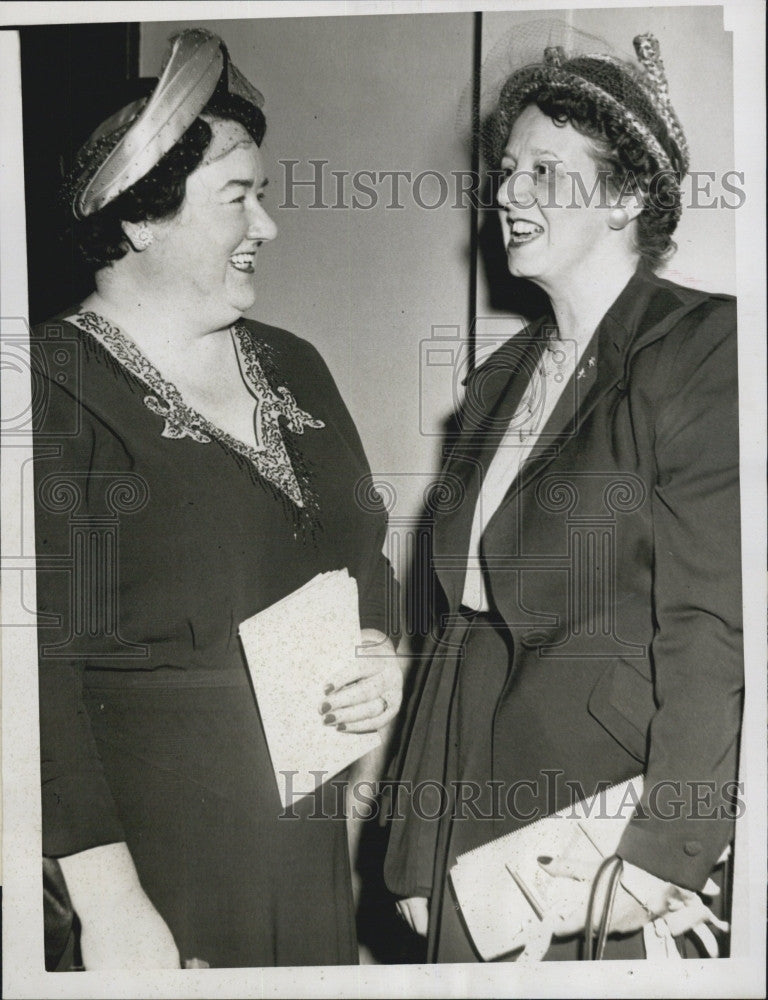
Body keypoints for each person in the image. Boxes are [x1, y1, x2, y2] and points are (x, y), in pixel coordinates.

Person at [33, 29, 401, 970]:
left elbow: (368, 558)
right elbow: (33, 678)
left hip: (308, 834)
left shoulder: (295, 363)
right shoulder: (44, 387)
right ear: (141, 218)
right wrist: (112, 907)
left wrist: (379, 650)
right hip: (155, 857)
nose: (268, 224)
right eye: (239, 196)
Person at [384, 33, 742, 962]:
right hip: (469, 812)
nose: (506, 193)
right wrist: (418, 849)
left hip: (603, 824)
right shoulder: (497, 379)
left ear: (625, 195)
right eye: (507, 171)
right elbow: (457, 627)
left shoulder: (703, 347)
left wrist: (666, 853)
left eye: (545, 170)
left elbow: (712, 621)